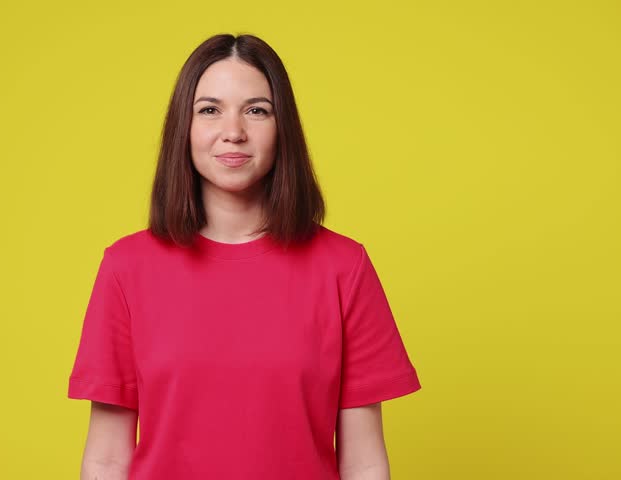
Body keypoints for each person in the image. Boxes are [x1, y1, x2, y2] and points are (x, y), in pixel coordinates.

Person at [67, 33, 421, 480]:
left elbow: (365, 461)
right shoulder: (126, 267)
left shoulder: (344, 268)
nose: (233, 131)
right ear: (185, 127)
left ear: (282, 128)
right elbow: (106, 459)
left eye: (256, 110)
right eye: (209, 110)